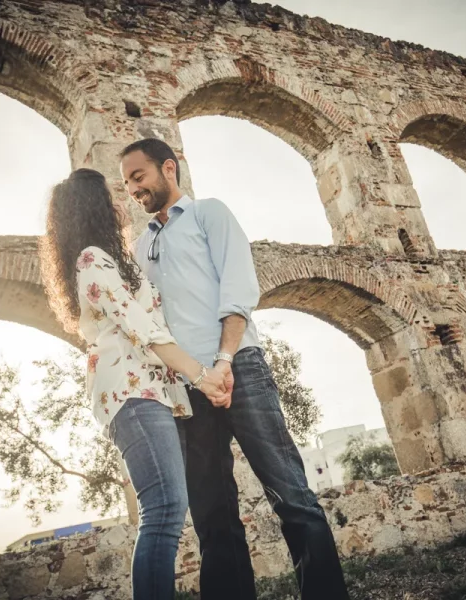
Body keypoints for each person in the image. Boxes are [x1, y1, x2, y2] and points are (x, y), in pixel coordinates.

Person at [120, 138, 350, 600]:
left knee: (291, 494)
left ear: (169, 168)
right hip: (189, 388)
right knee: (211, 514)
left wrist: (224, 362)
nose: (132, 189)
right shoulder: (142, 247)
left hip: (239, 367)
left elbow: (239, 288)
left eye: (138, 176)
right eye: (126, 182)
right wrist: (196, 376)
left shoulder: (210, 214)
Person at [38, 168, 231, 600]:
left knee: (165, 510)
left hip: (150, 392)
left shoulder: (110, 259)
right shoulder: (91, 259)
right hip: (132, 393)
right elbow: (144, 328)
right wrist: (203, 377)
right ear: (94, 207)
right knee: (162, 510)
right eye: (111, 195)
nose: (121, 201)